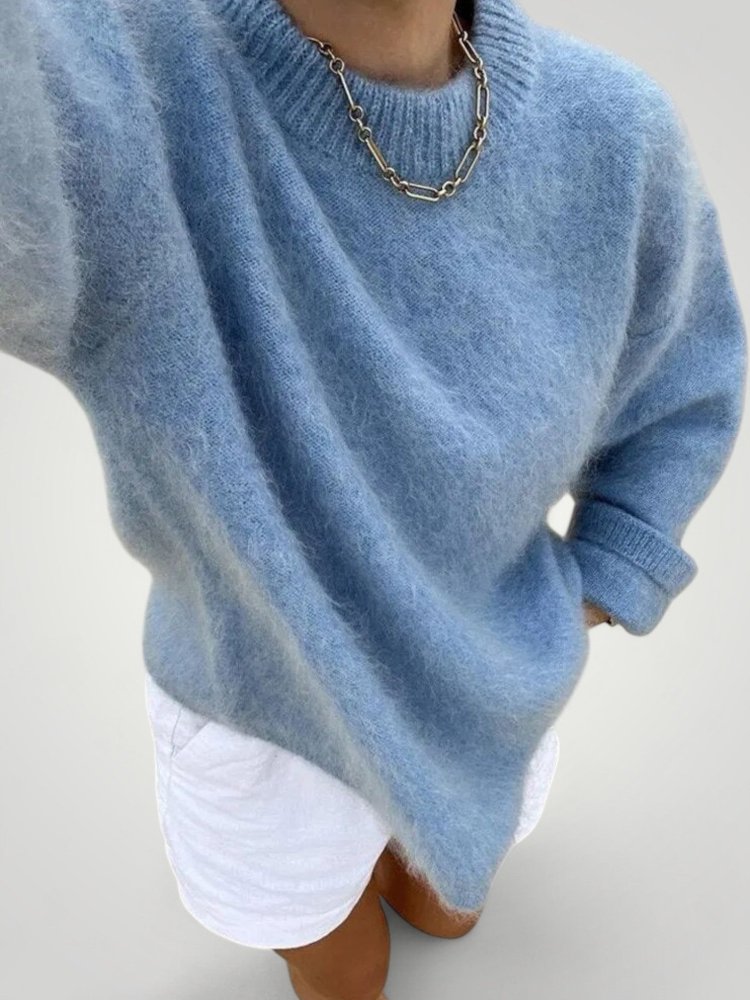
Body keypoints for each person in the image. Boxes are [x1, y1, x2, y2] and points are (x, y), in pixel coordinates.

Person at [1, 1, 745, 999]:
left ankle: (428, 860)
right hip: (269, 714)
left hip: (500, 693)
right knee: (345, 977)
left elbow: (685, 378)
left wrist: (607, 574)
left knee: (450, 905)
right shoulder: (113, 83)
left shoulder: (613, 126)